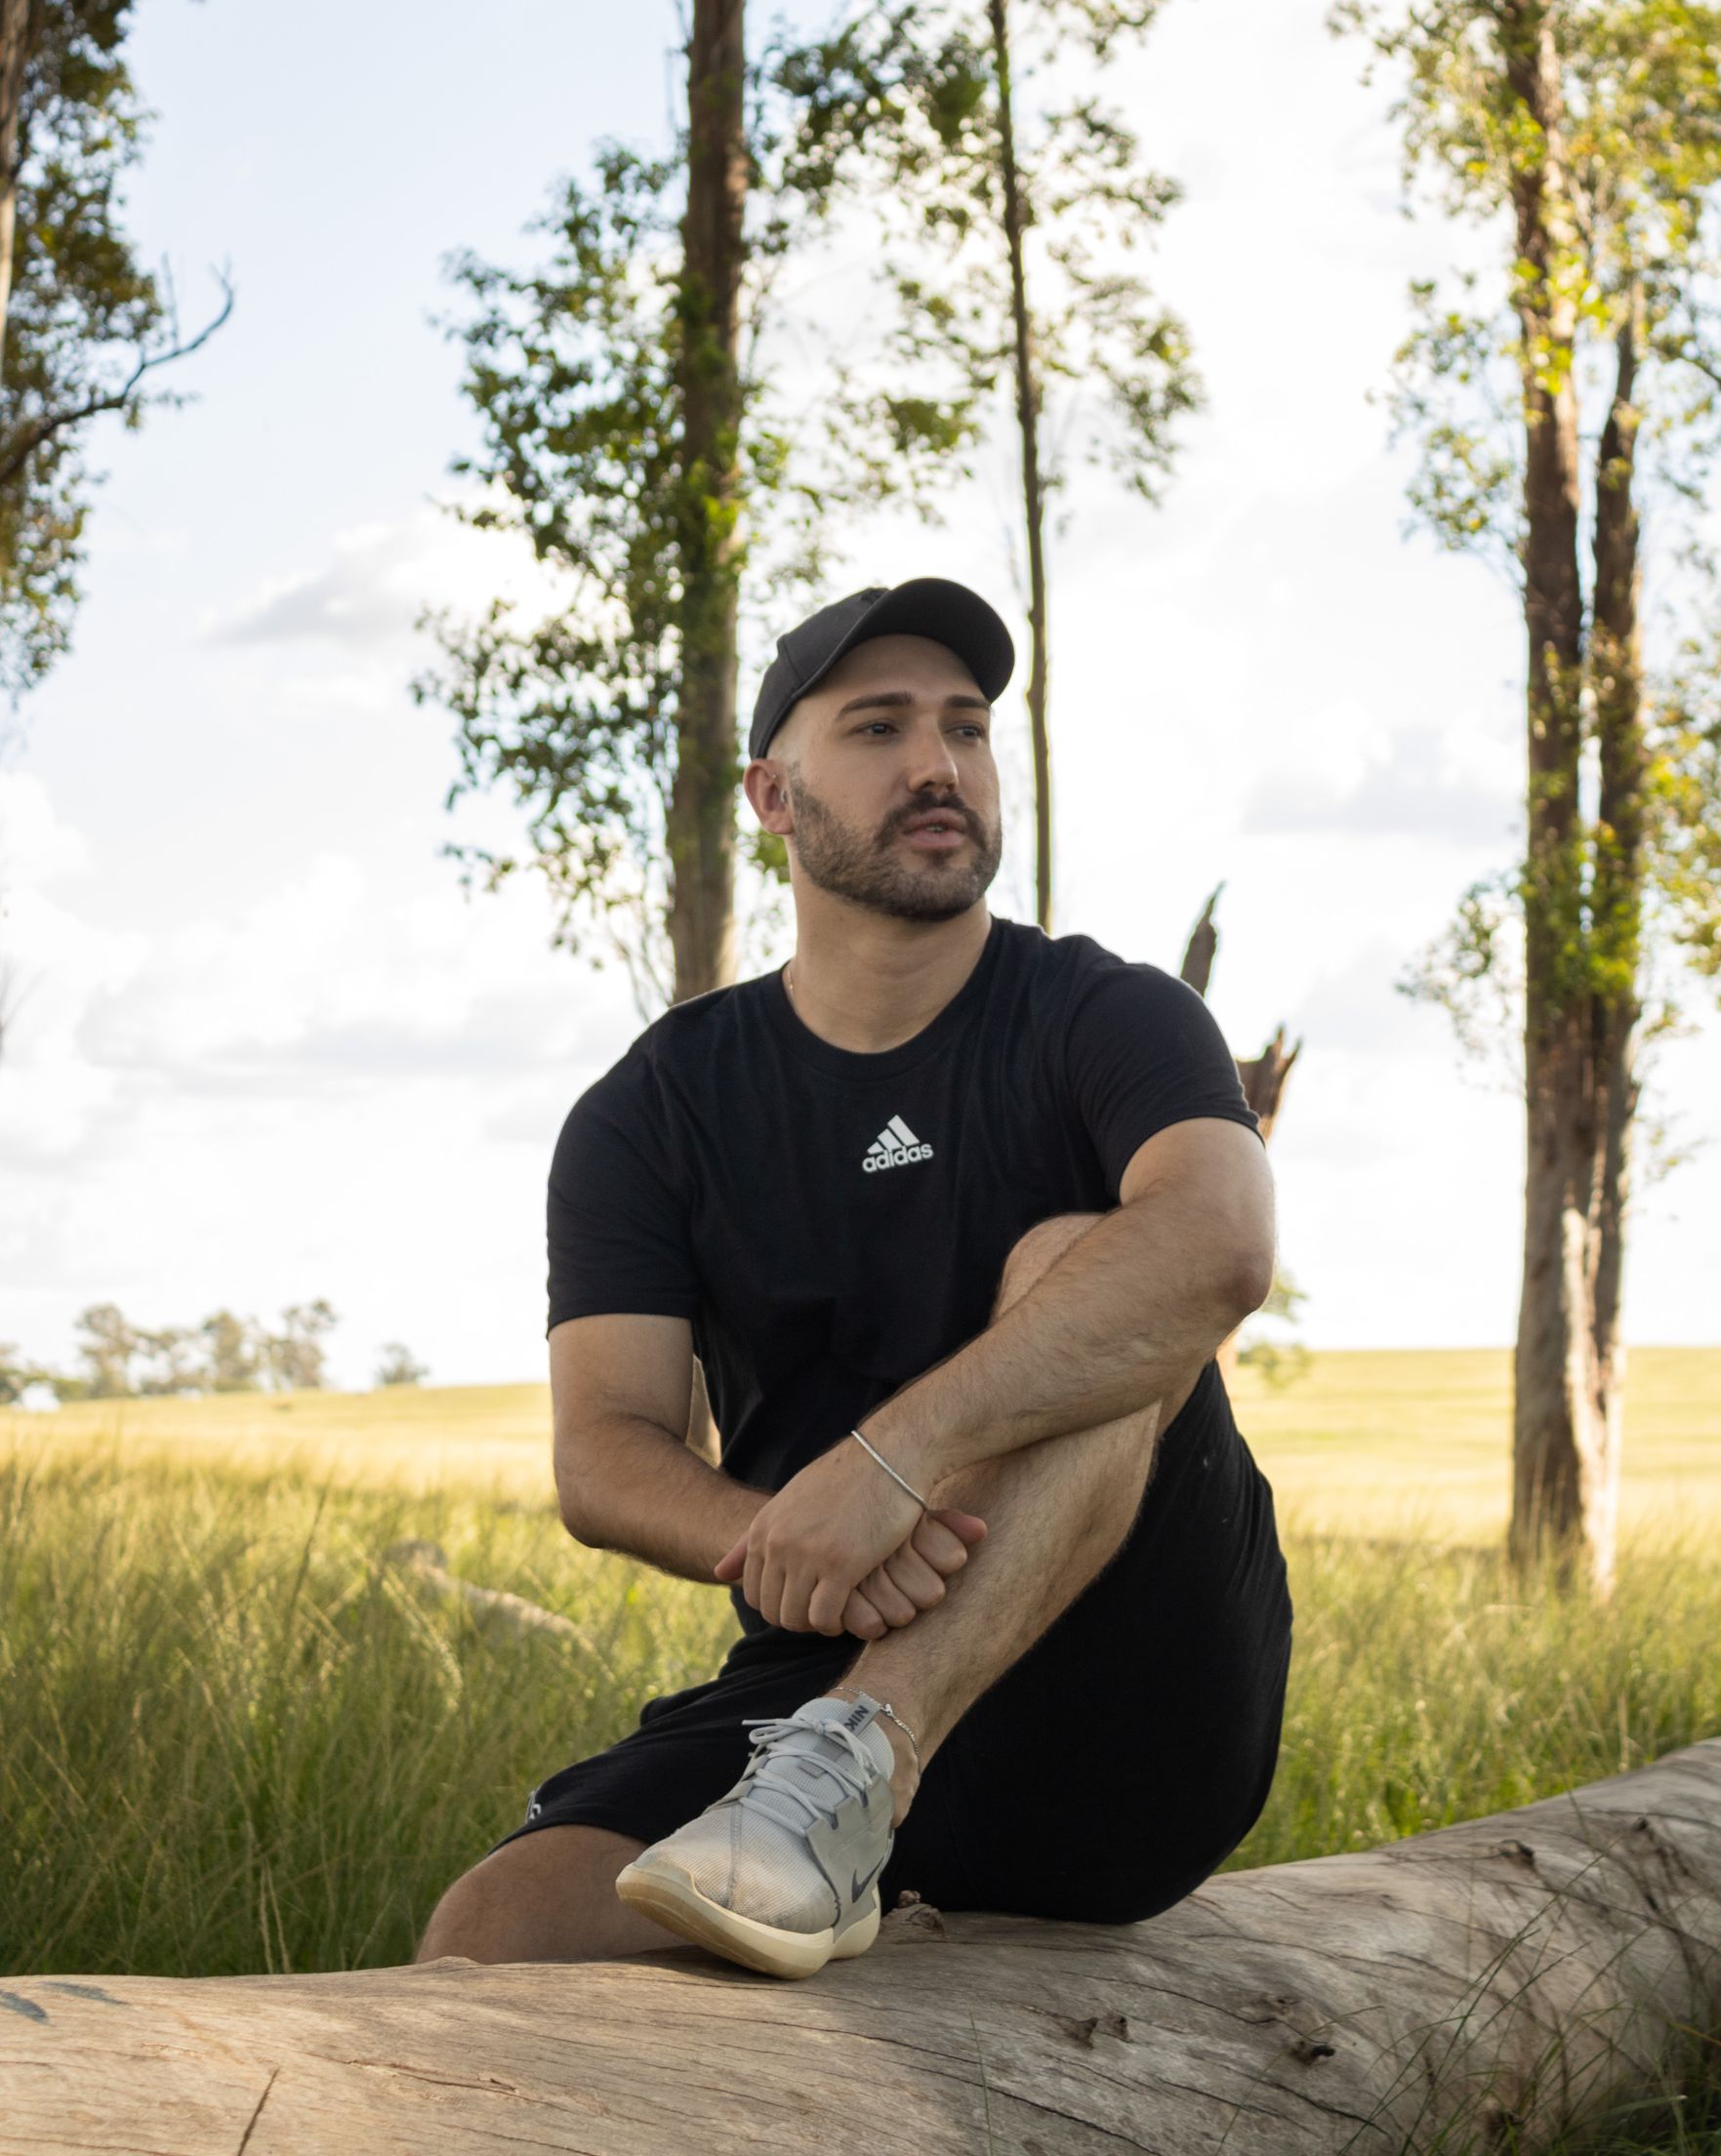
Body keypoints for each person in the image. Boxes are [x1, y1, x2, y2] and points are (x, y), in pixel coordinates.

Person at [419, 576, 1292, 1979]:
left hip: (1134, 1682)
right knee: (492, 1938)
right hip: (810, 1662)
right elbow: (605, 1453)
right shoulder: (656, 1109)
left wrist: (892, 1463)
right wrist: (796, 1545)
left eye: (966, 727)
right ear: (772, 795)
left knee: (1084, 1262)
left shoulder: (1109, 1013)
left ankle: (866, 1761)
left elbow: (1221, 1243)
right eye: (878, 729)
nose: (938, 765)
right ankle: (830, 1801)